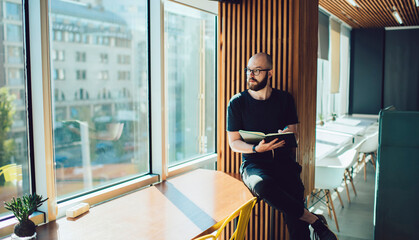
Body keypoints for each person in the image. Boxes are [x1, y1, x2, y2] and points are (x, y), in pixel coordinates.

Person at [227, 52, 338, 240]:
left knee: (298, 228)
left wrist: (287, 135)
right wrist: (256, 149)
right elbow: (234, 143)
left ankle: (308, 224)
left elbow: (295, 135)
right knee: (262, 186)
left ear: (269, 73)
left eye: (257, 70)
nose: (250, 75)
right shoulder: (237, 102)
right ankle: (314, 220)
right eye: (248, 70)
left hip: (284, 163)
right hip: (254, 164)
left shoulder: (285, 99)